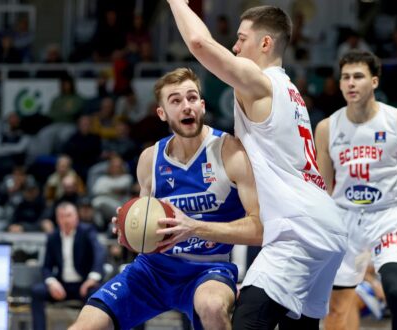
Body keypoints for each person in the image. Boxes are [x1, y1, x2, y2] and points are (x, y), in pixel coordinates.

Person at [167, 3, 347, 328]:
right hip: (329, 228)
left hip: (298, 230)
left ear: (265, 43)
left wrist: (176, 2)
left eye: (241, 38)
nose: (235, 47)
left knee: (247, 321)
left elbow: (198, 44)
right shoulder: (291, 91)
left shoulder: (259, 82)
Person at [70, 68, 261, 330]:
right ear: (161, 113)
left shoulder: (230, 151)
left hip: (208, 268)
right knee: (84, 326)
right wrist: (130, 229)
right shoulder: (150, 159)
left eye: (192, 98)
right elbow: (145, 230)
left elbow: (259, 229)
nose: (186, 107)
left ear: (202, 106)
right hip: (152, 269)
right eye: (175, 100)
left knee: (213, 307)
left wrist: (194, 228)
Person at [314, 50, 397, 330]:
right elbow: (324, 188)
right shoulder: (327, 127)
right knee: (337, 307)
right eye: (345, 77)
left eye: (358, 77)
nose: (351, 83)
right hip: (345, 219)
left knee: (396, 290)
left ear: (374, 82)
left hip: (388, 216)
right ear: (339, 84)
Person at [30, 202, 106, 330]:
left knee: (96, 295)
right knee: (37, 292)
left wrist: (92, 279)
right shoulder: (53, 237)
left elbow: (100, 253)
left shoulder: (87, 231)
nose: (66, 219)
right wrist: (52, 282)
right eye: (61, 216)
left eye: (69, 215)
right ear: (57, 218)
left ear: (76, 217)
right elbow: (46, 266)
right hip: (62, 285)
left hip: (84, 285)